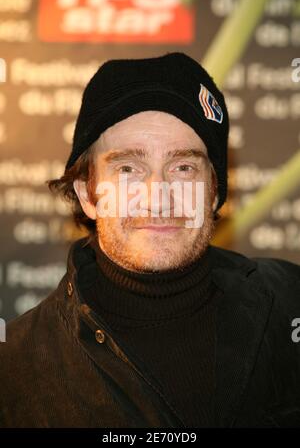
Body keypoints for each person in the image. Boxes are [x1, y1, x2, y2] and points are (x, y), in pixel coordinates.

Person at [1, 52, 300, 428]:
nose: (158, 196)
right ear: (87, 196)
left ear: (212, 193)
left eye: (183, 167)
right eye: (128, 168)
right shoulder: (14, 367)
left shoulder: (291, 304)